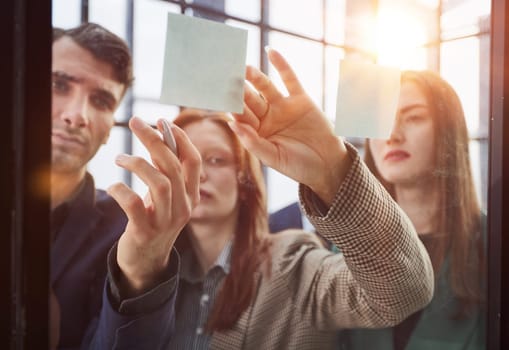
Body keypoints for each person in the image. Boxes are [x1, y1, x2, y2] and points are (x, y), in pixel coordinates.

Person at [89, 48, 434, 350]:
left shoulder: (292, 263)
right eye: (187, 161)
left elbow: (403, 293)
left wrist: (333, 170)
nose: (200, 175)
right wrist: (138, 277)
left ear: (244, 180)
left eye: (216, 160)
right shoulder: (148, 270)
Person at [341, 70, 486, 349]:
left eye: (414, 117)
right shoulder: (346, 248)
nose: (393, 135)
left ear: (447, 131)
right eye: (382, 122)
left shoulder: (492, 245)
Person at [50, 23, 134, 349]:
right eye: (58, 85)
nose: (76, 115)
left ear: (110, 127)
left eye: (100, 101)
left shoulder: (124, 232)